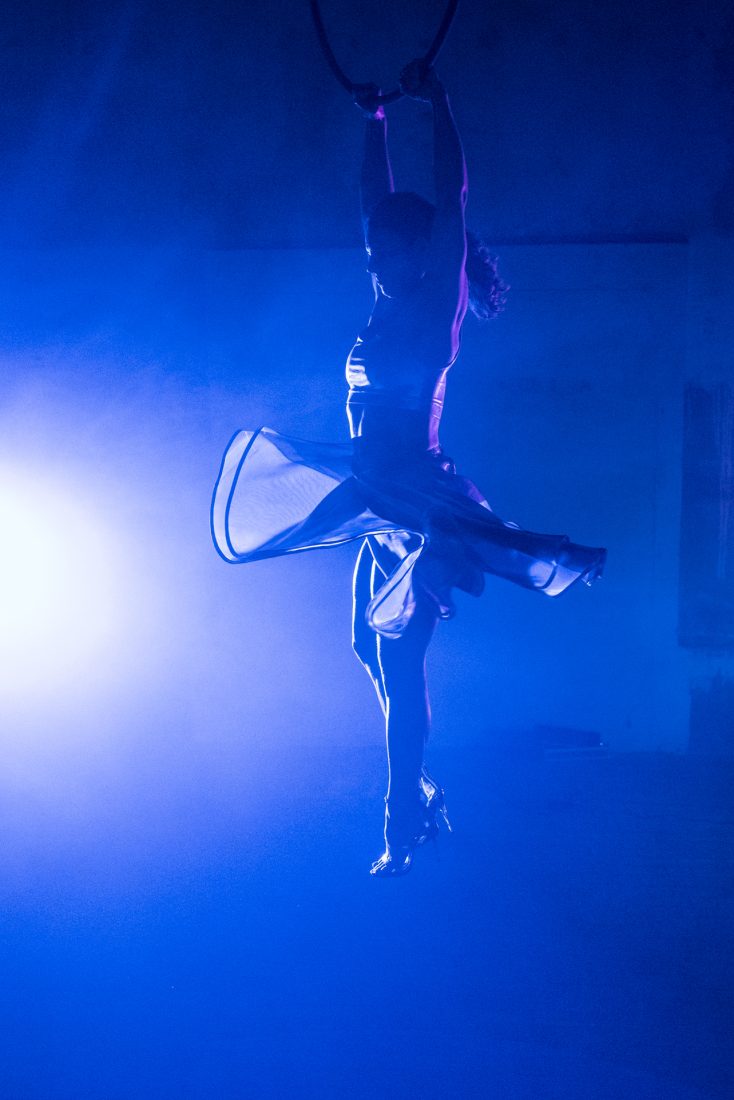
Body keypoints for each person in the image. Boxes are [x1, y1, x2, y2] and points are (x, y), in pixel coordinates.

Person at [211, 60, 606, 877]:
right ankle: (415, 788)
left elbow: (452, 199)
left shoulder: (434, 305)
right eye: (373, 254)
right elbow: (373, 204)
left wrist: (440, 102)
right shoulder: (386, 298)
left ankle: (402, 817)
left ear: (422, 252)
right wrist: (374, 121)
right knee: (365, 645)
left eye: (387, 253)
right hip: (372, 493)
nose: (375, 263)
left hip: (418, 506)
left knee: (398, 657)